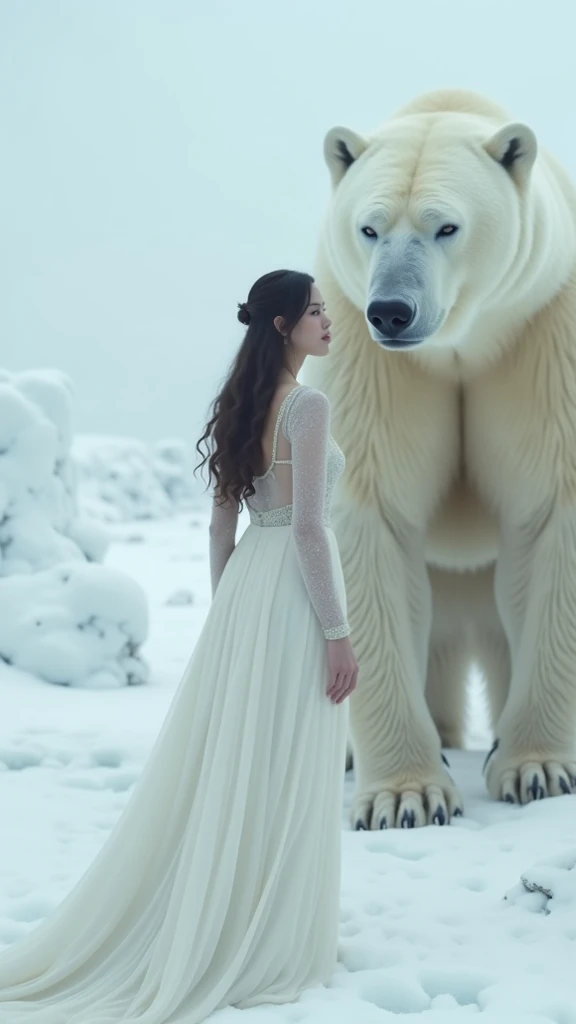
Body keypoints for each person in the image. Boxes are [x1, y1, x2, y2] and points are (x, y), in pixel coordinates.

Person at [0, 269, 358, 1022]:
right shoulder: (308, 404)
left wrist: (230, 615)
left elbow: (220, 529)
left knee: (241, 757)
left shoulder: (241, 403)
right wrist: (336, 635)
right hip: (294, 593)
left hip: (247, 594)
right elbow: (307, 529)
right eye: (315, 312)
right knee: (281, 760)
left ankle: (232, 911)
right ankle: (266, 933)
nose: (329, 321)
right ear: (280, 325)